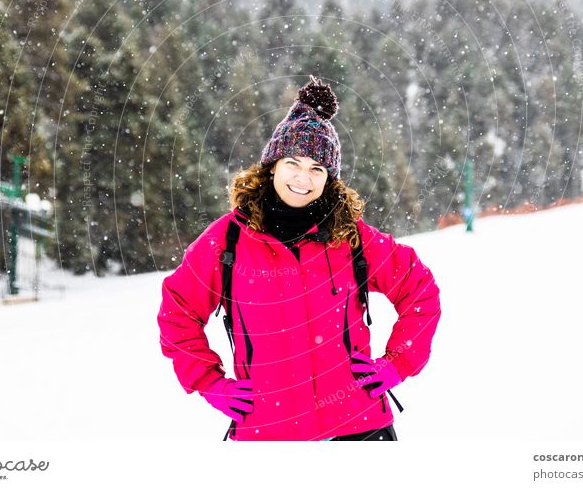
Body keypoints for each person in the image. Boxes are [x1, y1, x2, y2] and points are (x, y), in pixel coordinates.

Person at [158, 76, 441, 441]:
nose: (303, 178)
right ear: (272, 165)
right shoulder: (227, 240)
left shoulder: (350, 236)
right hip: (270, 433)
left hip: (360, 427)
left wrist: (397, 363)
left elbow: (420, 291)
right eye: (293, 162)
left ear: (330, 179)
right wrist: (208, 382)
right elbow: (177, 311)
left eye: (317, 169)